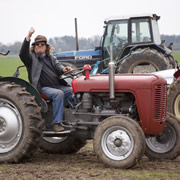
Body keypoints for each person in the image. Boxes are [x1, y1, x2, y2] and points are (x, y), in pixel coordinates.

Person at [19, 27, 73, 132]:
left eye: (42, 44)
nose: (39, 46)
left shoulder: (51, 58)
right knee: (58, 94)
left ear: (46, 47)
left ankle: (73, 118)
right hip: (42, 88)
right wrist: (28, 37)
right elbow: (22, 54)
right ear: (34, 47)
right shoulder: (31, 59)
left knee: (74, 91)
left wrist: (64, 69)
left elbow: (59, 67)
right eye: (37, 44)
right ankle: (56, 124)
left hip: (56, 86)